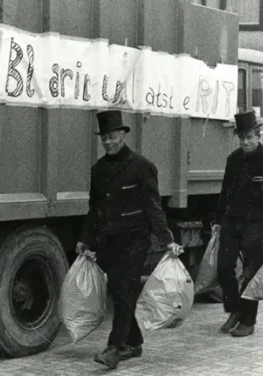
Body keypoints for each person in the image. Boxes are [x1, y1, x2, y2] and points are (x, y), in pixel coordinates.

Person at [76, 110, 183, 369]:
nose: (109, 142)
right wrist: (85, 239)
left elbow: (153, 207)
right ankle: (134, 343)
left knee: (125, 288)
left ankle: (115, 348)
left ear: (122, 135)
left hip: (136, 240)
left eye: (112, 137)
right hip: (109, 240)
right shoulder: (98, 170)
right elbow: (94, 209)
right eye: (104, 139)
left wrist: (167, 240)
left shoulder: (141, 166)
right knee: (118, 291)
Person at [213, 110, 263, 337]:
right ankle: (235, 308)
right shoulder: (233, 160)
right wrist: (217, 220)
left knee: (250, 273)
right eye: (242, 138)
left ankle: (248, 320)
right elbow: (224, 192)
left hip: (257, 225)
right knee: (224, 268)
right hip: (232, 223)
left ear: (258, 136)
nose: (245, 142)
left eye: (249, 137)